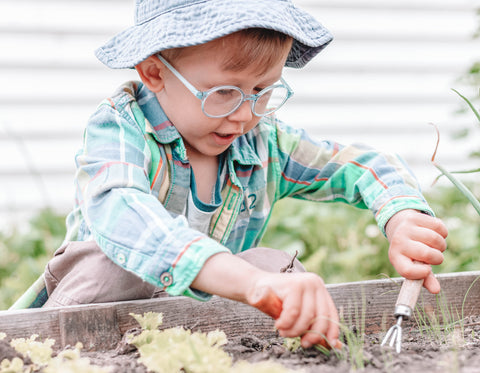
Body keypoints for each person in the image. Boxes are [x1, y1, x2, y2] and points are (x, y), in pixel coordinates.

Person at [12, 0, 448, 350]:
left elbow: (363, 166)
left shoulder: (263, 143)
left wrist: (402, 217)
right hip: (91, 321)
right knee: (111, 266)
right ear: (154, 72)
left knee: (282, 273)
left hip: (208, 324)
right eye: (223, 93)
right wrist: (251, 283)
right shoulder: (119, 129)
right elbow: (125, 215)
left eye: (262, 91)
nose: (244, 115)